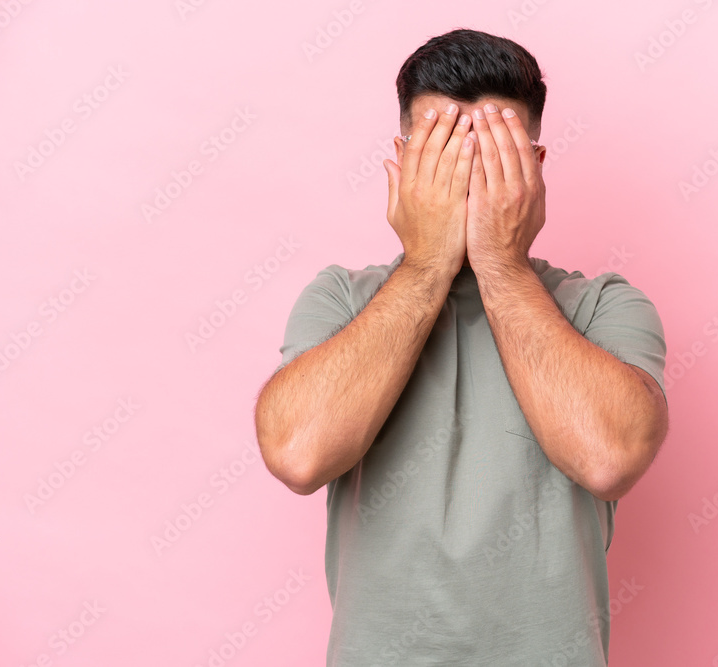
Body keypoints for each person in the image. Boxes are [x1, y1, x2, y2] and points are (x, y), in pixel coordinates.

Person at [254, 28, 669, 666]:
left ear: (535, 166)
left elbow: (608, 458)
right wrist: (425, 265)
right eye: (444, 151)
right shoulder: (340, 298)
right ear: (402, 158)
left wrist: (502, 264)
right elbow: (298, 456)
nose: (467, 175)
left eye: (495, 153)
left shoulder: (605, 307)